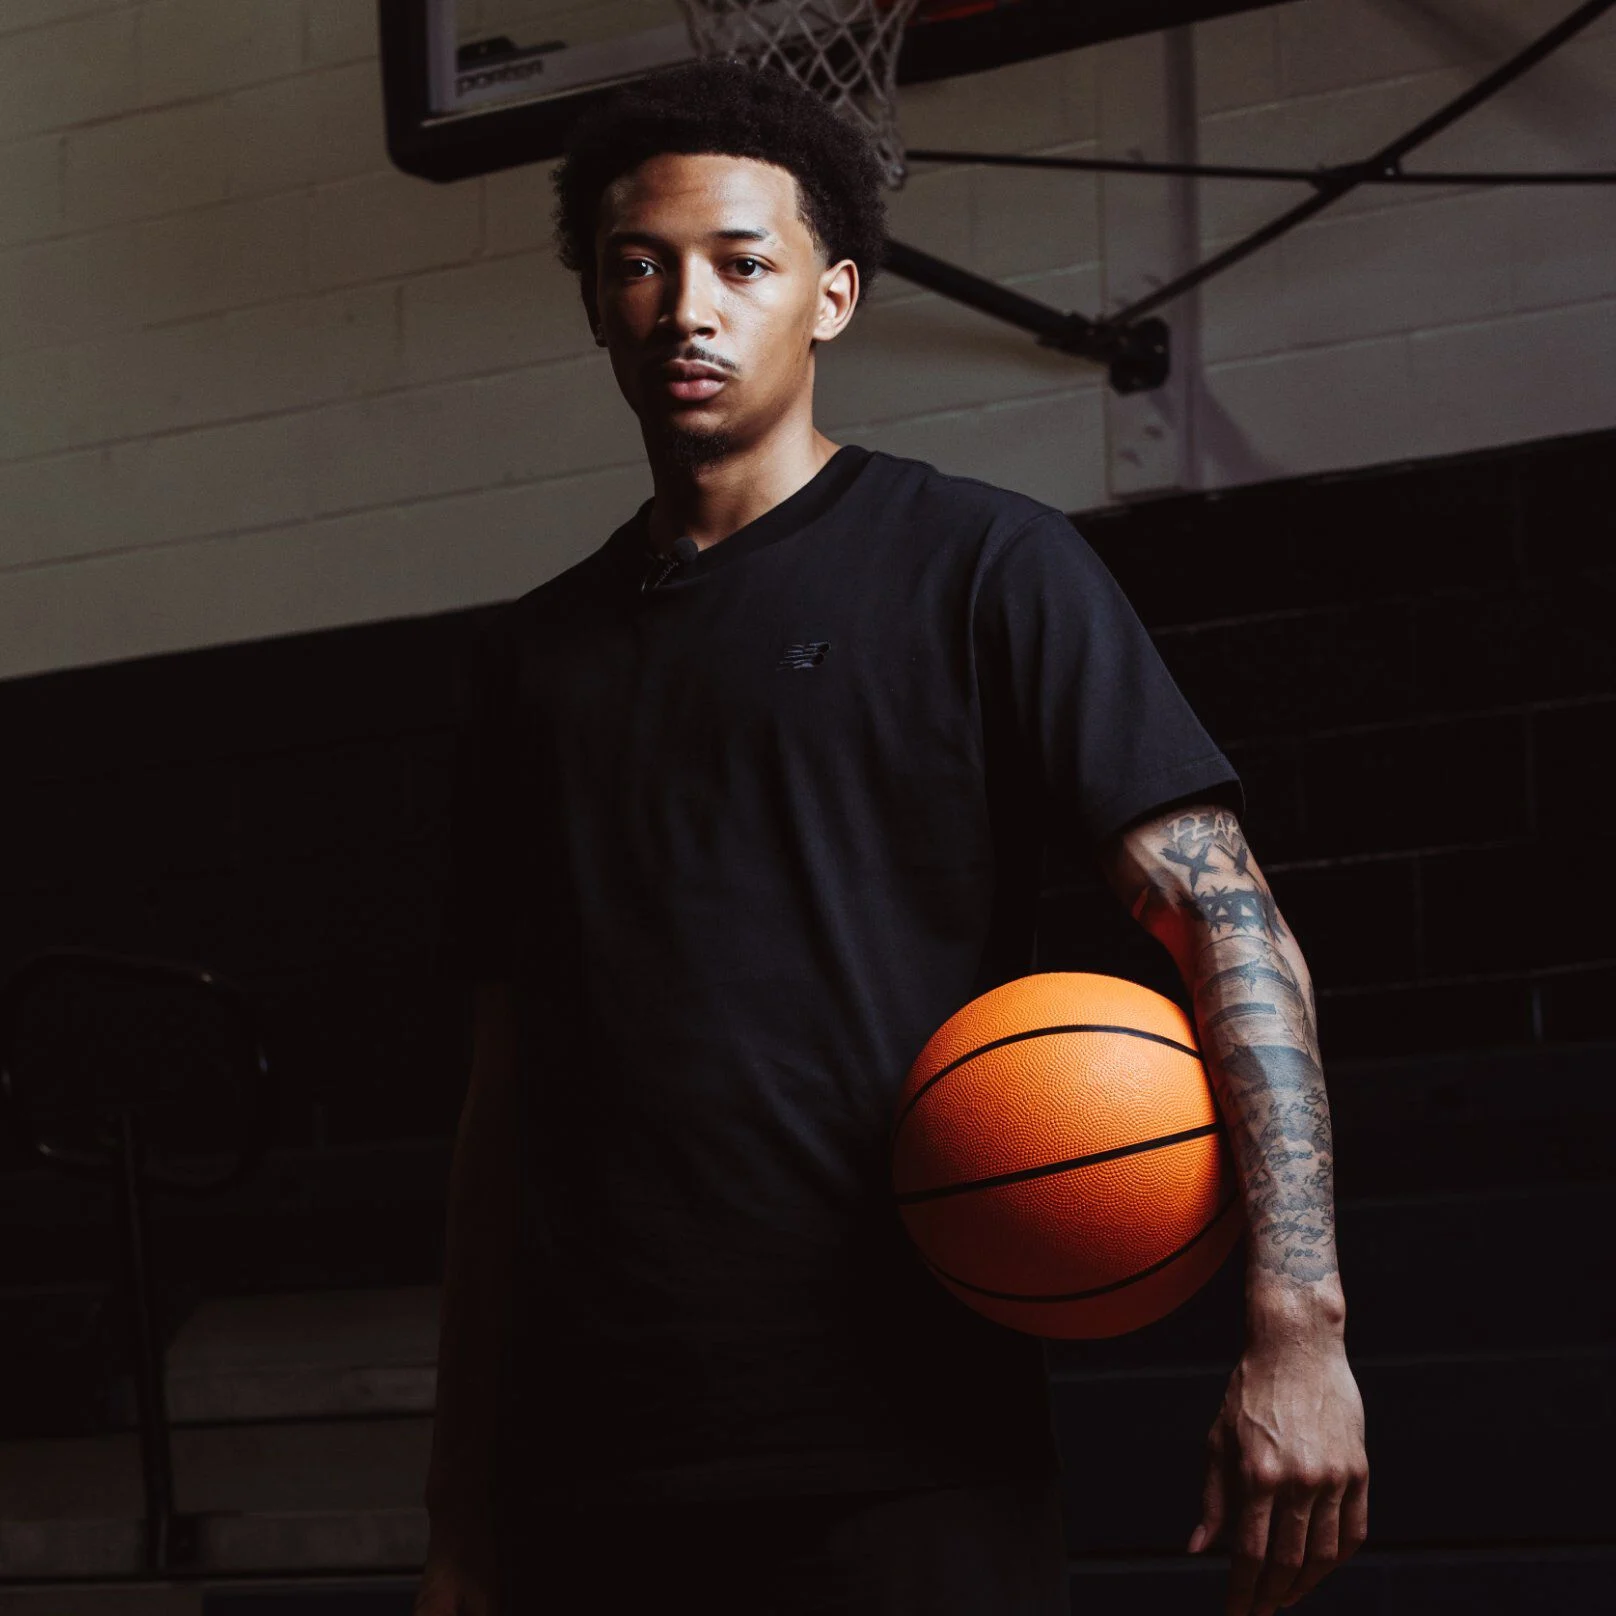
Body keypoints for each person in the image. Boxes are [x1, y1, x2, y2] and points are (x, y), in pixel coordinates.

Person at [414, 57, 1367, 1616]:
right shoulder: (527, 663)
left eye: (742, 262)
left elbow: (1230, 924)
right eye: (637, 265)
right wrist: (460, 1516)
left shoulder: (987, 568)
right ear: (595, 303)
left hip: (903, 1440)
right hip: (591, 1467)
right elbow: (500, 1108)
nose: (685, 306)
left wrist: (1300, 1327)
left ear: (833, 295)